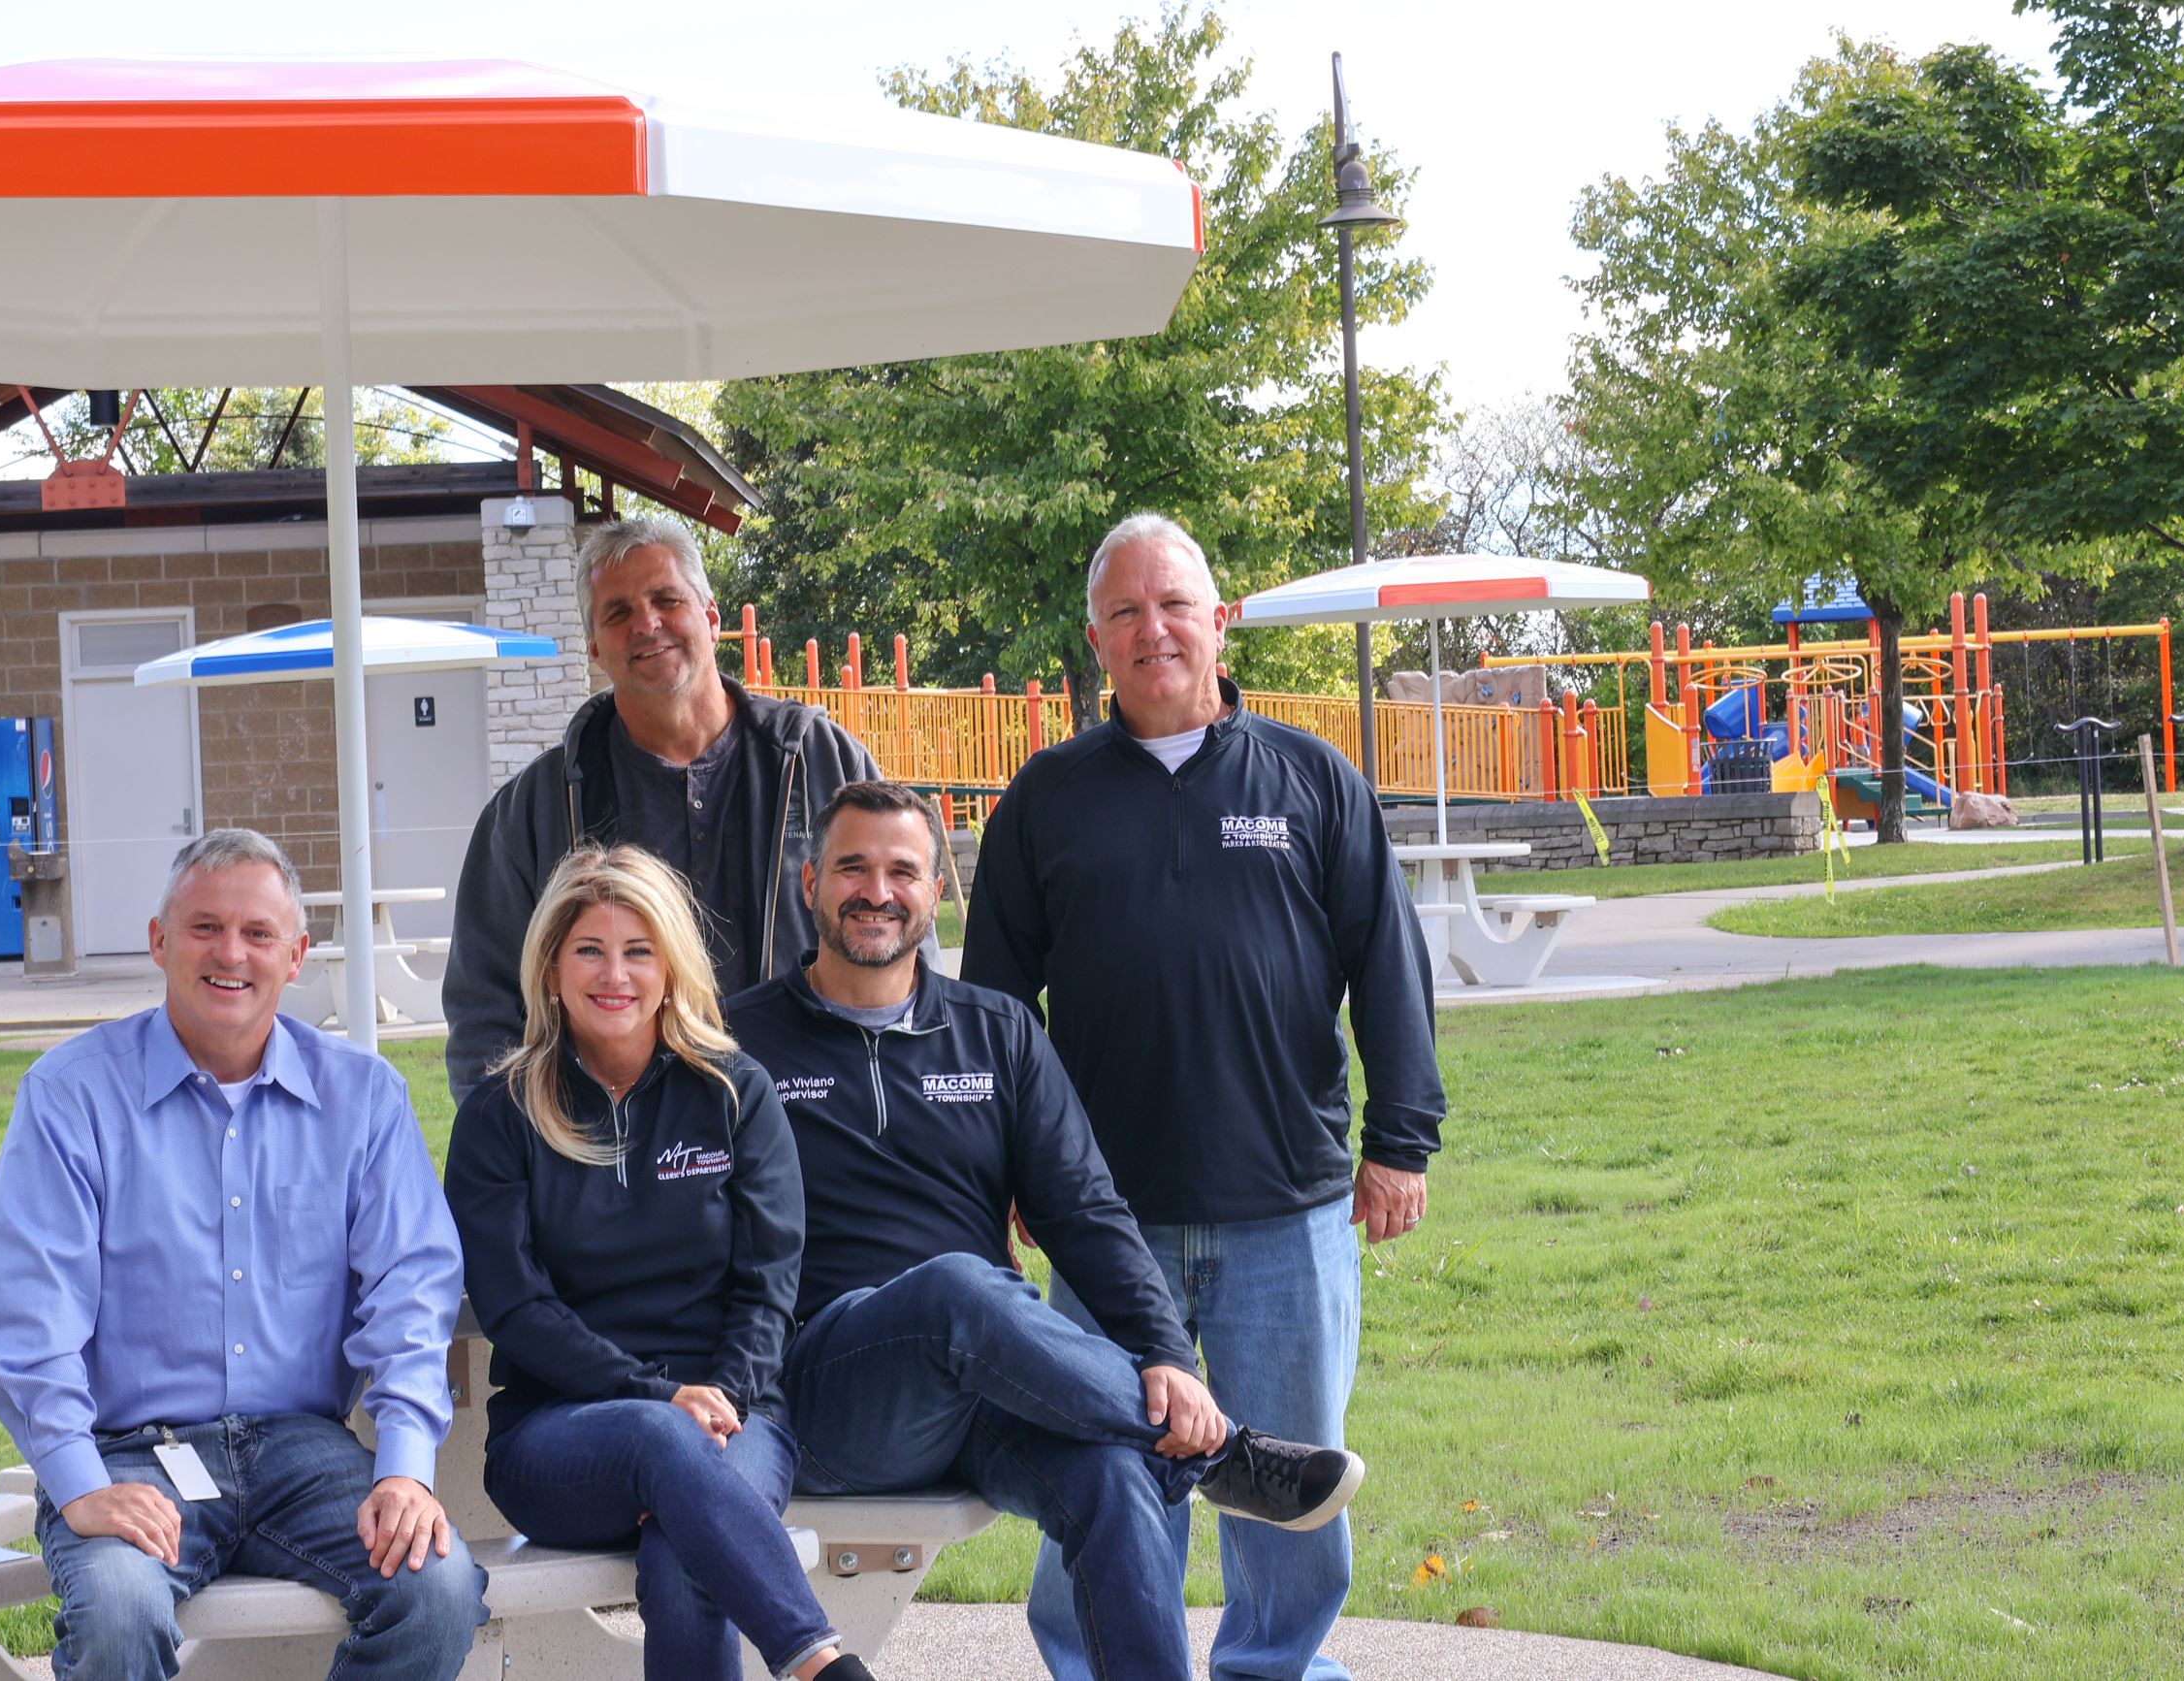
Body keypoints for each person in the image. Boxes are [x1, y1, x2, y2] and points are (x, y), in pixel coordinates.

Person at [727, 780, 1365, 1681]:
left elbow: (1086, 1211)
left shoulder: (998, 1034)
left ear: (937, 888)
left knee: (1114, 1478)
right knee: (956, 1286)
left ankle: (1176, 1452)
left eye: (902, 869)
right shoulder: (738, 1042)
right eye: (852, 867)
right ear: (809, 885)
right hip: (830, 1394)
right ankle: (1218, 1453)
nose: (877, 890)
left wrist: (1166, 1357)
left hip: (987, 1392)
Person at [960, 512, 1446, 1681]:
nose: (1153, 629)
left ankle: (1274, 1667)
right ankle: (1096, 1665)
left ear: (1217, 622)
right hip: (1100, 1219)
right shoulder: (1045, 799)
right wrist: (1009, 1171)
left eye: (1173, 604)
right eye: (1125, 612)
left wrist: (1401, 1140)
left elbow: (1388, 964)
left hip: (1285, 1203)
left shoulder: (1310, 779)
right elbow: (986, 1014)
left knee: (1287, 1475)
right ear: (1095, 641)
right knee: (1104, 1469)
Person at [0, 828, 485, 1681]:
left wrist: (405, 1472)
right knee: (117, 1617)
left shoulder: (365, 1098)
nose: (229, 953)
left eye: (257, 933)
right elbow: (26, 1316)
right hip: (130, 1450)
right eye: (204, 927)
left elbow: (411, 1292)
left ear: (297, 955)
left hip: (304, 1448)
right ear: (160, 940)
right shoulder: (71, 1096)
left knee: (439, 1589)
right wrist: (78, 1480)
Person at [444, 844, 874, 1681]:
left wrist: (718, 1397)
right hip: (559, 1436)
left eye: (639, 950)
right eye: (590, 950)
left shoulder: (733, 1093)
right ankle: (821, 1663)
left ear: (671, 963)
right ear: (552, 965)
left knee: (686, 1557)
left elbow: (769, 1286)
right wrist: (659, 1395)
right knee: (655, 1433)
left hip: (736, 1414)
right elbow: (516, 1310)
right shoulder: (501, 1114)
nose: (616, 974)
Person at [445, 512, 910, 1101]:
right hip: (616, 1152)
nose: (647, 624)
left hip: (815, 1133)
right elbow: (484, 1012)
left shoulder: (823, 765)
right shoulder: (536, 809)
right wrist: (511, 1159)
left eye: (668, 599)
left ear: (711, 617)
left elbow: (906, 957)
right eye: (617, 612)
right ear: (593, 645)